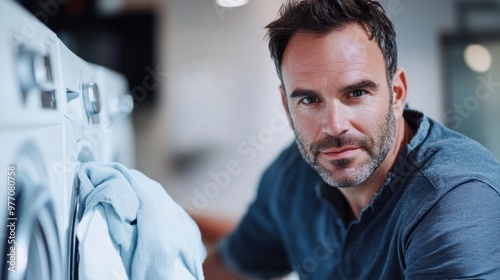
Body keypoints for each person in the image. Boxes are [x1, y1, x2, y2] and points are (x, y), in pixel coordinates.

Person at [203, 0, 500, 279]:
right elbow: (228, 269)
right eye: (309, 100)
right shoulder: (291, 177)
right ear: (286, 107)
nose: (334, 126)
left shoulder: (455, 201)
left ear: (396, 94)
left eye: (356, 93)